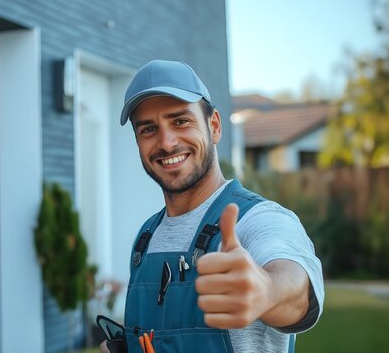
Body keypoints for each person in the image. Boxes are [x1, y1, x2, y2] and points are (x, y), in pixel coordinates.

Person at [99, 60, 324, 353]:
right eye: (149, 129)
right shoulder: (146, 238)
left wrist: (266, 290)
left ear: (214, 126)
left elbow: (295, 287)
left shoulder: (257, 220)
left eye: (180, 121)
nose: (166, 143)